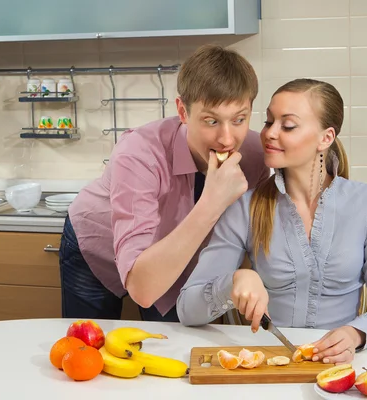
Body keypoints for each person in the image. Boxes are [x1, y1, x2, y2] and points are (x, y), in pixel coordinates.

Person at [176, 78, 367, 364]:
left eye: (287, 126)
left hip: (341, 363)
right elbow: (187, 310)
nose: (269, 134)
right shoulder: (244, 207)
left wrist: (356, 333)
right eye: (268, 121)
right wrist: (233, 281)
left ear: (326, 137)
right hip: (267, 364)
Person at [60, 44, 270, 322]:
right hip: (99, 249)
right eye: (211, 121)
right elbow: (143, 289)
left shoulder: (255, 154)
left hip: (173, 258)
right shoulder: (138, 153)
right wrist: (213, 202)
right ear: (183, 111)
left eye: (239, 119)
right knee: (90, 347)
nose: (227, 139)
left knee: (171, 348)